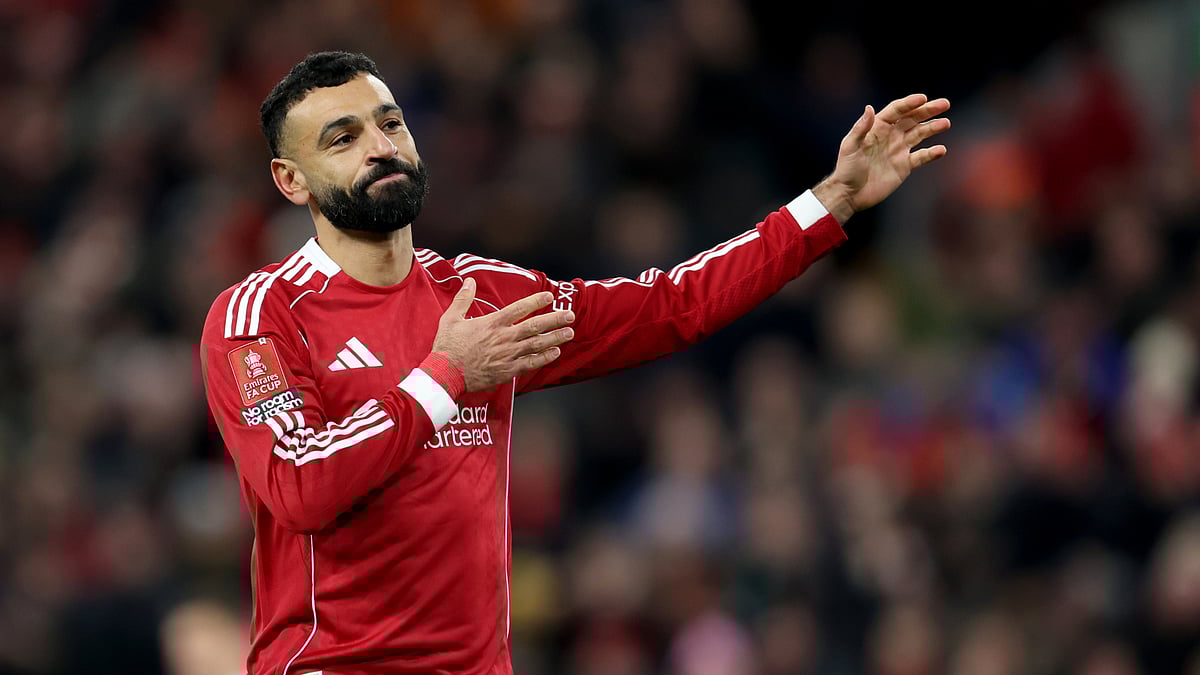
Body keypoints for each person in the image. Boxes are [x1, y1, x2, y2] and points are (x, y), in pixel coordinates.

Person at [199, 50, 950, 675]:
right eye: (342, 138)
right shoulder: (257, 317)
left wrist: (831, 200)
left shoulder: (483, 294)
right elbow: (299, 484)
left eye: (389, 123)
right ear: (291, 181)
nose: (380, 146)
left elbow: (670, 305)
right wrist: (444, 376)